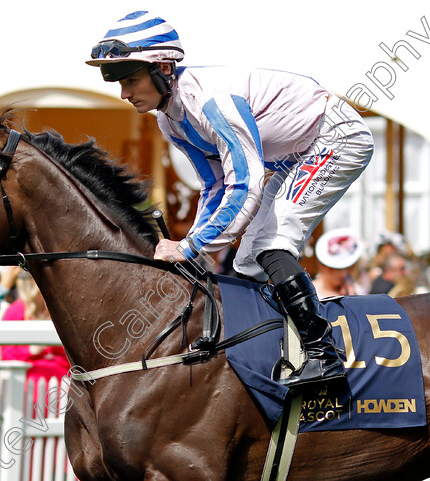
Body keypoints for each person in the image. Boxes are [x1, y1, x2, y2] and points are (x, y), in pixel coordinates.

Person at [86, 11, 374, 386]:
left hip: (334, 140)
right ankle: (269, 346)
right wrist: (191, 243)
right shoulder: (169, 118)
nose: (124, 94)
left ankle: (324, 353)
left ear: (163, 69)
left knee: (273, 243)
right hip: (293, 156)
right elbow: (215, 186)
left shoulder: (212, 101)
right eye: (117, 82)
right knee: (248, 258)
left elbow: (246, 182)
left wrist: (191, 247)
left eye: (131, 80)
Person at [312, 228, 365, 298]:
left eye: (347, 268)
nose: (344, 273)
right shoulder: (311, 293)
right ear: (323, 266)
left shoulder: (354, 289)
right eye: (338, 269)